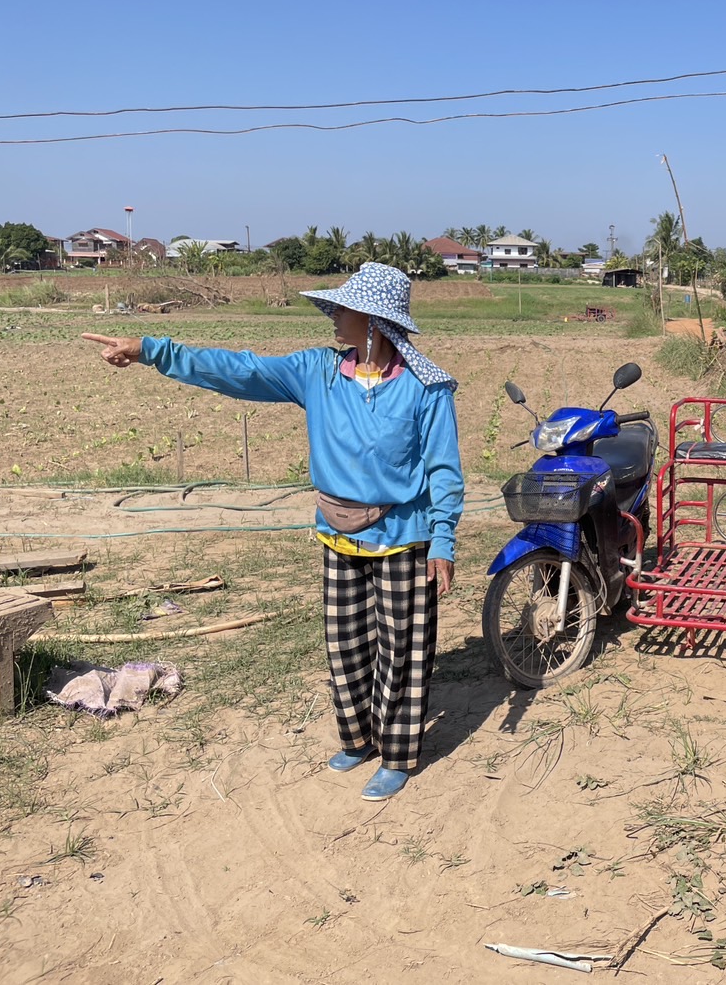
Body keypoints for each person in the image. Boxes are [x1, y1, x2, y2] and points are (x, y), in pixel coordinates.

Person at [83, 262, 464, 803]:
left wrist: (443, 539)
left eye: (344, 308)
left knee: (402, 650)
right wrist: (151, 349)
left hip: (403, 534)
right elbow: (240, 370)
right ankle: (358, 740)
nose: (332, 315)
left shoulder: (426, 389)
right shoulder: (318, 372)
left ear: (377, 321)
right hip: (337, 531)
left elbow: (443, 469)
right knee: (346, 646)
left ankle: (398, 754)